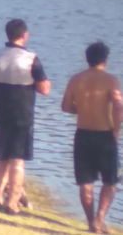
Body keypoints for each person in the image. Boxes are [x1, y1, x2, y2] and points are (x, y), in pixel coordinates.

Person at [0, 19, 51, 214]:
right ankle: (12, 203)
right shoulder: (30, 59)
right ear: (24, 35)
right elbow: (45, 89)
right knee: (18, 160)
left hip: (0, 112)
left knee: (3, 157)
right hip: (21, 114)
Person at [62, 41, 123, 234]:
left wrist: (82, 110)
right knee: (110, 181)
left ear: (87, 59)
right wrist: (116, 131)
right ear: (105, 60)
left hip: (83, 134)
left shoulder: (76, 79)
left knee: (86, 182)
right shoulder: (111, 80)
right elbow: (119, 106)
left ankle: (92, 223)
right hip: (105, 136)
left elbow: (65, 106)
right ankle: (100, 219)